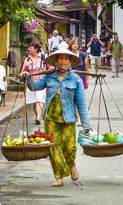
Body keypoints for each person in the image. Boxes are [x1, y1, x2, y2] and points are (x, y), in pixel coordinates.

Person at [19, 48, 91, 187]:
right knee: (53, 147)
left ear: (70, 61)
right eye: (60, 58)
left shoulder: (75, 79)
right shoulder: (49, 76)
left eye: (66, 59)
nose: (63, 61)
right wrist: (27, 76)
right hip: (51, 118)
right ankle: (59, 176)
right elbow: (35, 86)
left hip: (68, 119)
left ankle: (71, 165)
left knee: (69, 148)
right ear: (56, 61)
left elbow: (81, 103)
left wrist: (86, 124)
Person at [20, 43, 47, 125]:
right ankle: (37, 116)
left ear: (36, 49)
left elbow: (51, 67)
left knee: (40, 99)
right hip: (31, 83)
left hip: (42, 82)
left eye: (31, 48)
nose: (29, 49)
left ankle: (38, 117)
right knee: (35, 101)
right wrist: (27, 66)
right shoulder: (27, 59)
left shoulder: (43, 57)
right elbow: (22, 72)